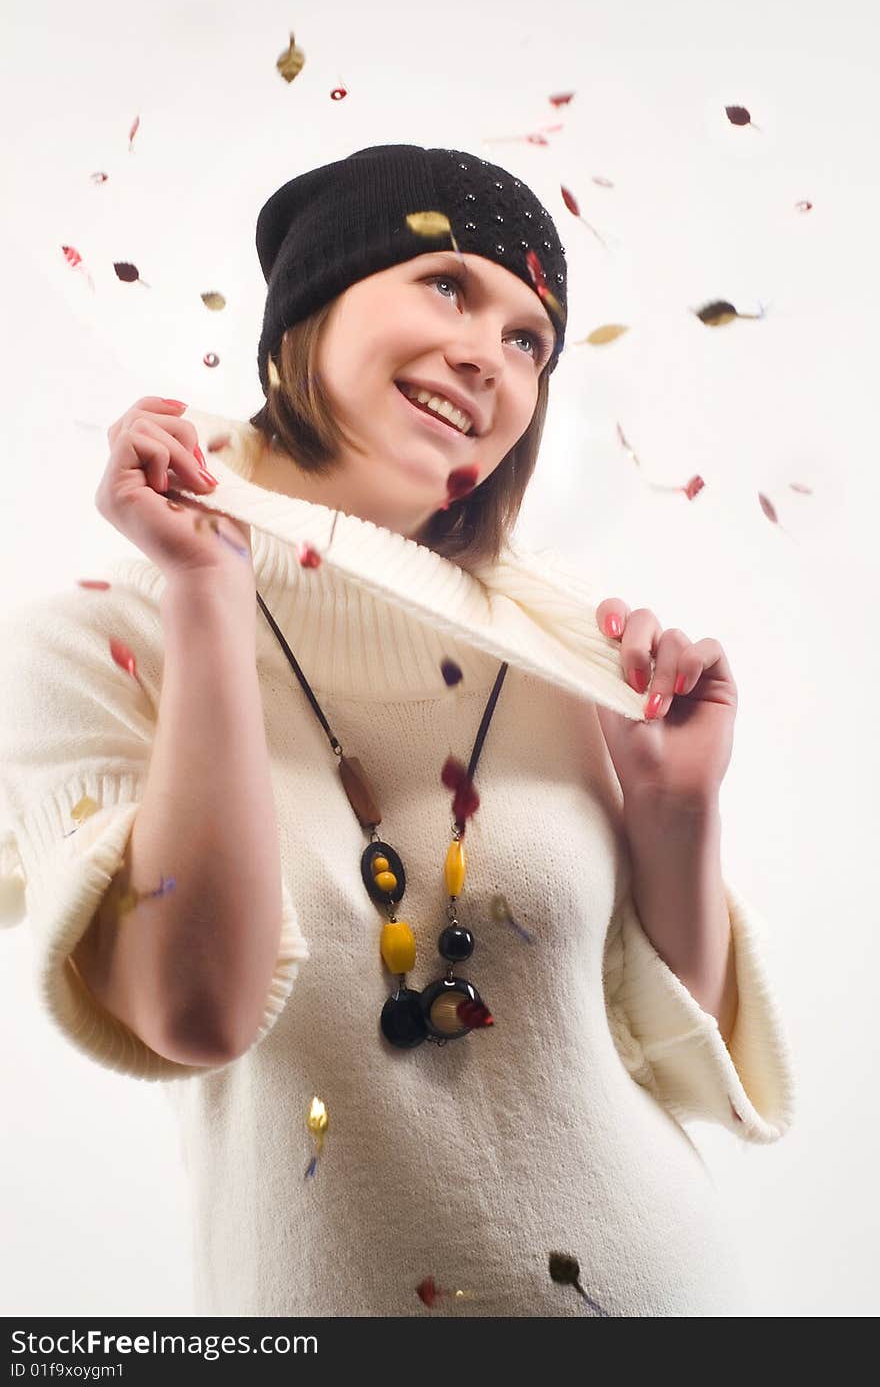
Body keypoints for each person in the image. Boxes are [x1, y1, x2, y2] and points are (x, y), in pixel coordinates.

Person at [0, 144, 795, 1317]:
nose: (490, 353)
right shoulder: (89, 649)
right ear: (306, 315)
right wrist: (210, 593)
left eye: (530, 340)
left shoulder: (555, 648)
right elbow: (195, 1010)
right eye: (447, 285)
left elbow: (667, 1065)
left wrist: (678, 811)